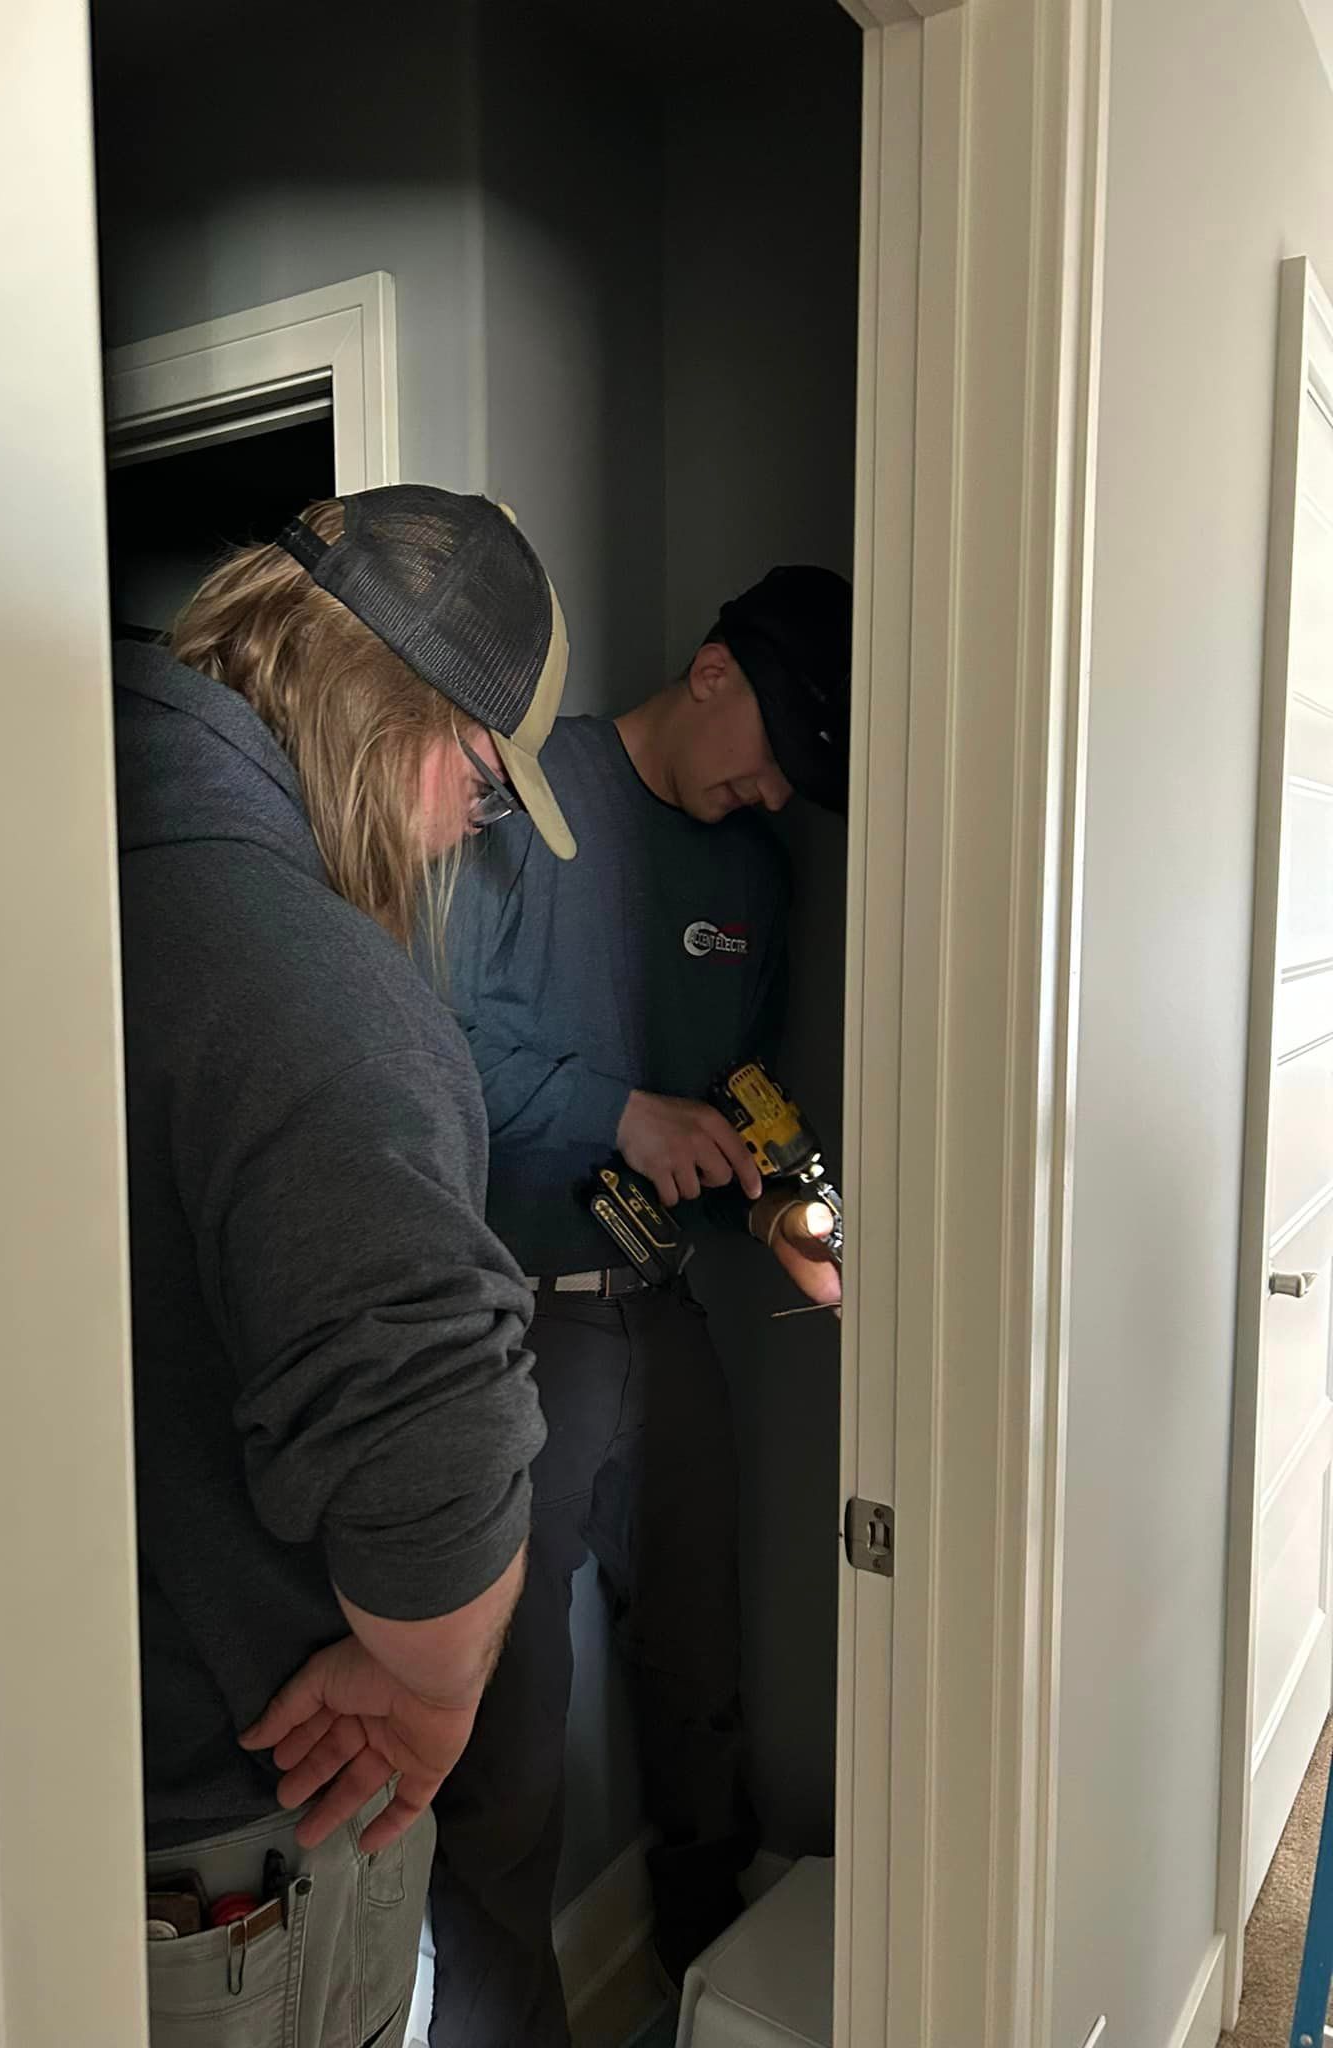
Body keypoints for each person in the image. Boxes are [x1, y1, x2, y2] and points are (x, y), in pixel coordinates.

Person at [114, 483, 578, 2048]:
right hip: (230, 1871)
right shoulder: (323, 994)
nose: (464, 832)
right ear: (420, 729)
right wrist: (435, 1692)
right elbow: (436, 1456)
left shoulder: (21, 842)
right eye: (486, 787)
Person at [426, 565, 851, 2048]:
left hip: (666, 1322)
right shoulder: (523, 808)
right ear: (713, 669)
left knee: (701, 1689)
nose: (766, 799)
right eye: (767, 763)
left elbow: (744, 1087)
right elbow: (438, 1061)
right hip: (518, 1332)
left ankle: (707, 1989)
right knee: (507, 1748)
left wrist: (807, 1217)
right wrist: (620, 1112)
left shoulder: (756, 879)